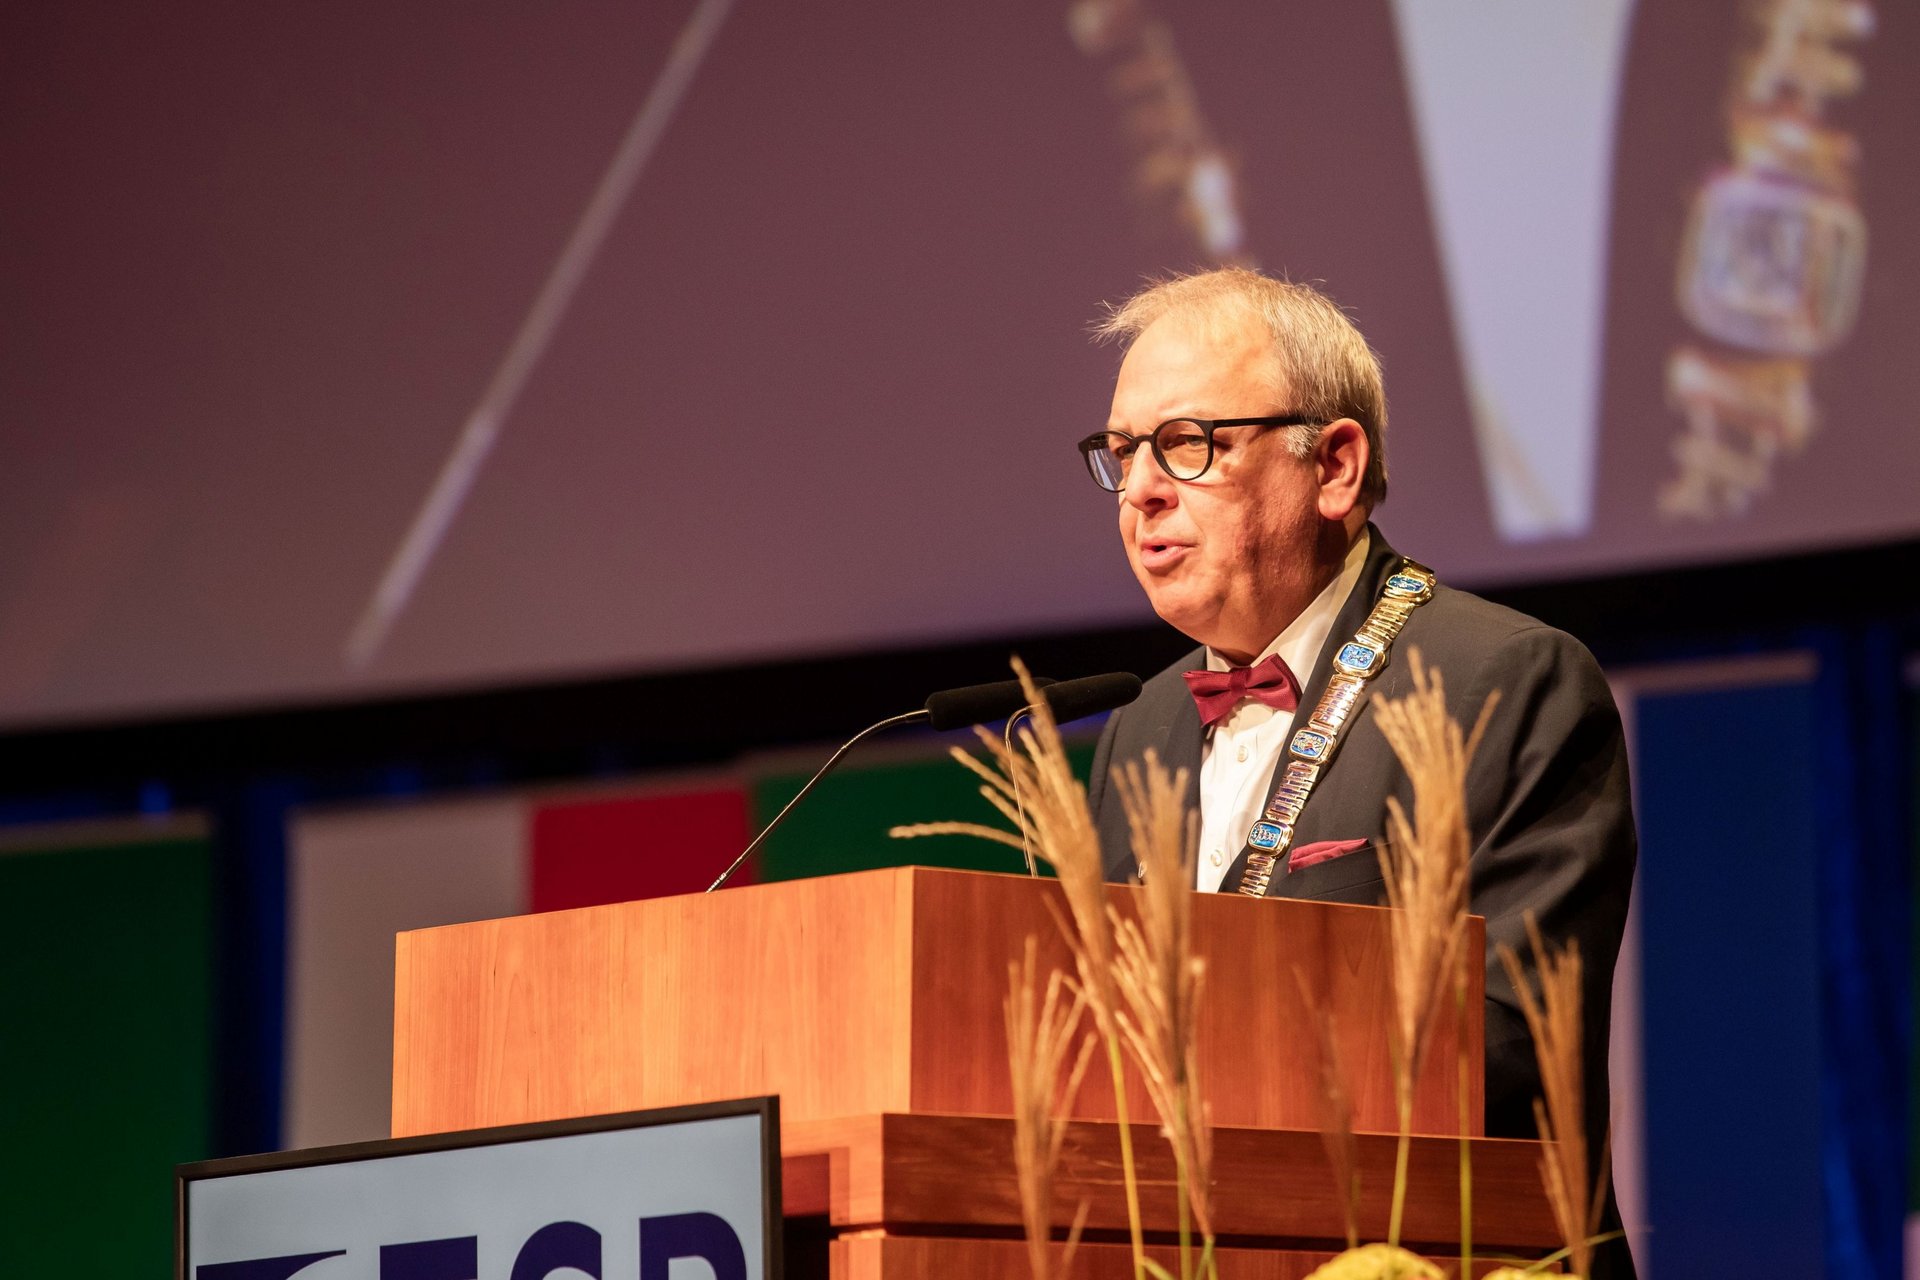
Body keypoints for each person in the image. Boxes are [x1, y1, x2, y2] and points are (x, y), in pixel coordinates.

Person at [1079, 268, 1637, 1277]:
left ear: (1334, 465)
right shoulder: (1139, 732)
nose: (1141, 488)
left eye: (1187, 443)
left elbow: (1507, 1047)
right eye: (1121, 452)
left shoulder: (1503, 682)